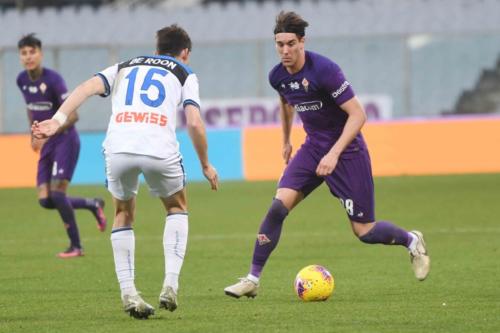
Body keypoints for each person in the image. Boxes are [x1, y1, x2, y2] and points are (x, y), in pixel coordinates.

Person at [224, 11, 430, 299]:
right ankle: (252, 279)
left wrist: (334, 154)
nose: (284, 50)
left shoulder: (325, 70)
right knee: (277, 208)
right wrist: (285, 139)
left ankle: (411, 241)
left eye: (290, 44)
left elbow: (358, 115)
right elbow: (286, 104)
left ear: (302, 42)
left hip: (347, 152)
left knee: (364, 231)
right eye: (279, 44)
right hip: (313, 149)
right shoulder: (277, 76)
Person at [32, 25, 219, 319]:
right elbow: (194, 123)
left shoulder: (125, 65)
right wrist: (206, 164)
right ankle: (170, 283)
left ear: (155, 49)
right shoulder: (184, 71)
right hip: (159, 147)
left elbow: (84, 88)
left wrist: (56, 121)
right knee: (176, 207)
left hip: (119, 147)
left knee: (123, 212)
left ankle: (129, 292)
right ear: (185, 53)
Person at [17, 33, 107, 259]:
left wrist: (52, 128)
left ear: (41, 54)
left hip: (65, 139)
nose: (28, 57)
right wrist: (34, 135)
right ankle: (92, 203)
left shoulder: (54, 80)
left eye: (32, 52)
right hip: (47, 142)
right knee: (45, 200)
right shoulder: (22, 80)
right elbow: (31, 108)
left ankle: (76, 246)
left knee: (58, 194)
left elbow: (73, 115)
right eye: (24, 53)